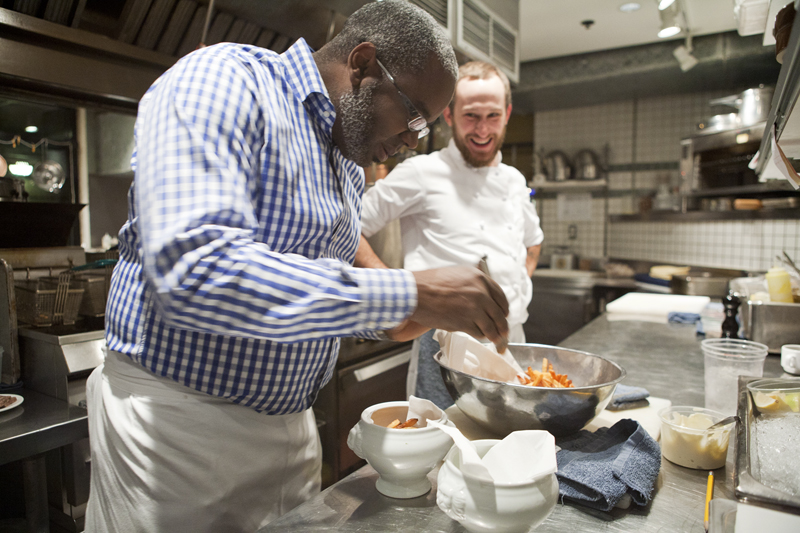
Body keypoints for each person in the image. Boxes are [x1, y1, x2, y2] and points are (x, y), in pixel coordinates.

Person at [84, 2, 511, 532]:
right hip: (179, 427)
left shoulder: (345, 156)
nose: (411, 140)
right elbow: (195, 273)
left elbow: (308, 289)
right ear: (363, 64)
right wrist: (410, 292)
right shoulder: (224, 81)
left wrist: (404, 317)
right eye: (414, 115)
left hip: (292, 425)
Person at [355, 61, 544, 410]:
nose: (482, 129)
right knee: (442, 439)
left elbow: (534, 241)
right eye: (471, 116)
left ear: (507, 114)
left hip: (511, 341)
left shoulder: (514, 180)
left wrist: (520, 281)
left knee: (511, 439)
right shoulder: (421, 172)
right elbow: (350, 226)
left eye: (492, 115)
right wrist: (392, 287)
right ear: (449, 116)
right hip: (445, 348)